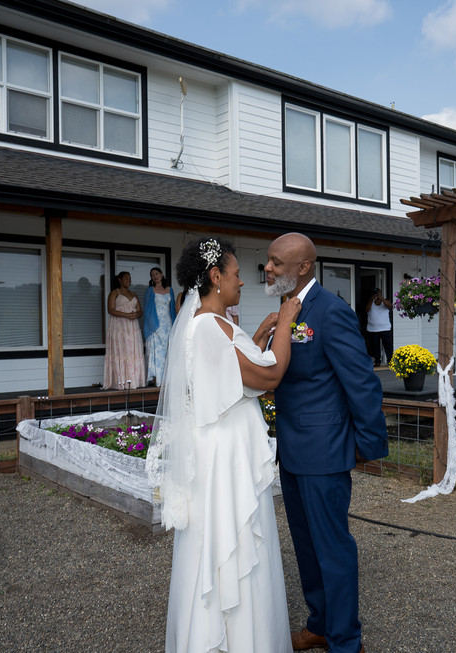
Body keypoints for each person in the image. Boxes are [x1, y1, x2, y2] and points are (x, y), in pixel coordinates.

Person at [146, 237, 301, 653]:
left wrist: (260, 333)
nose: (242, 283)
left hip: (218, 447)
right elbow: (267, 379)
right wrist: (285, 322)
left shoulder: (209, 322)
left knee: (216, 545)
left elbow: (227, 370)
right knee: (230, 545)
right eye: (235, 275)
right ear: (215, 277)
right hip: (224, 456)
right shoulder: (208, 326)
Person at [264, 233, 388, 653]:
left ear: (302, 268)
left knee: (333, 550)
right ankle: (319, 624)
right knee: (305, 545)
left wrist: (366, 444)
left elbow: (362, 383)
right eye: (268, 261)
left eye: (276, 263)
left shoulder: (330, 311)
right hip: (293, 452)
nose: (268, 268)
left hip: (325, 452)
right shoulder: (287, 309)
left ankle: (347, 641)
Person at [103, 271, 145, 389]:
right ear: (120, 280)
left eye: (130, 278)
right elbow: (110, 310)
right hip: (119, 326)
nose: (129, 280)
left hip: (132, 327)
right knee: (122, 350)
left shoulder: (134, 294)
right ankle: (121, 381)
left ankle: (134, 380)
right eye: (126, 278)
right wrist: (127, 315)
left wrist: (135, 315)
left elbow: (140, 311)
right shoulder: (115, 293)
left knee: (132, 351)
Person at [143, 267, 177, 387]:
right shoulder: (150, 290)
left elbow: (172, 309)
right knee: (157, 352)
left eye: (157, 274)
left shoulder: (170, 290)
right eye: (152, 275)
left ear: (162, 274)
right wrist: (152, 325)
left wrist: (174, 325)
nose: (155, 276)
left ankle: (167, 379)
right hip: (155, 325)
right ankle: (157, 379)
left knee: (167, 352)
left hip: (168, 324)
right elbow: (147, 310)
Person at [364, 287, 392, 367]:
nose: (376, 295)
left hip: (385, 328)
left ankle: (390, 360)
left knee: (387, 345)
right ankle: (377, 361)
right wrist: (371, 300)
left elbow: (389, 305)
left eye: (377, 293)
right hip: (373, 329)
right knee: (375, 346)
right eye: (375, 293)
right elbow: (367, 309)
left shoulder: (385, 301)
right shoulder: (370, 302)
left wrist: (381, 298)